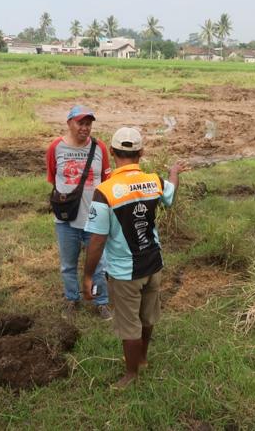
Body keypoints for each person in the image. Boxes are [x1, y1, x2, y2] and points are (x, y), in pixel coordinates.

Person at [82, 127, 184, 389]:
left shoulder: (105, 191)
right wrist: (173, 172)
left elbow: (97, 240)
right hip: (154, 264)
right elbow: (170, 196)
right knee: (147, 318)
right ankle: (143, 360)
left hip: (125, 271)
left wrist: (88, 274)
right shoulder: (154, 181)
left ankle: (131, 374)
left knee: (129, 326)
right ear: (141, 153)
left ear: (113, 152)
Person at [46, 105, 113, 319]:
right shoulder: (56, 147)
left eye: (88, 124)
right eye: (80, 123)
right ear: (69, 123)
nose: (85, 128)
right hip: (66, 219)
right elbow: (53, 177)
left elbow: (106, 180)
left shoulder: (99, 147)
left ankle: (100, 301)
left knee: (99, 265)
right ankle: (71, 299)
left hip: (94, 219)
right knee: (68, 265)